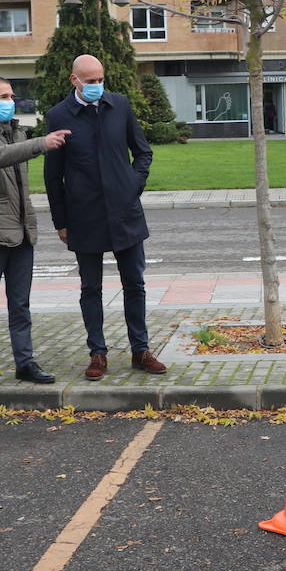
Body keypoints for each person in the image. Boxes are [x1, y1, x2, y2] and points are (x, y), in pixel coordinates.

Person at [43, 54, 167, 381]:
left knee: (135, 284)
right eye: (90, 81)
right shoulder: (58, 116)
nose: (97, 86)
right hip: (84, 216)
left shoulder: (120, 106)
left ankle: (141, 350)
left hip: (125, 213)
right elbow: (53, 176)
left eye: (101, 79)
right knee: (90, 288)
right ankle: (97, 353)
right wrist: (61, 221)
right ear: (75, 81)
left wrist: (132, 186)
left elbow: (143, 152)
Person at [0, 76, 71, 397]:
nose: (11, 101)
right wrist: (41, 144)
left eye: (12, 95)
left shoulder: (16, 131)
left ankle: (25, 363)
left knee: (20, 305)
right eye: (4, 96)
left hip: (21, 233)